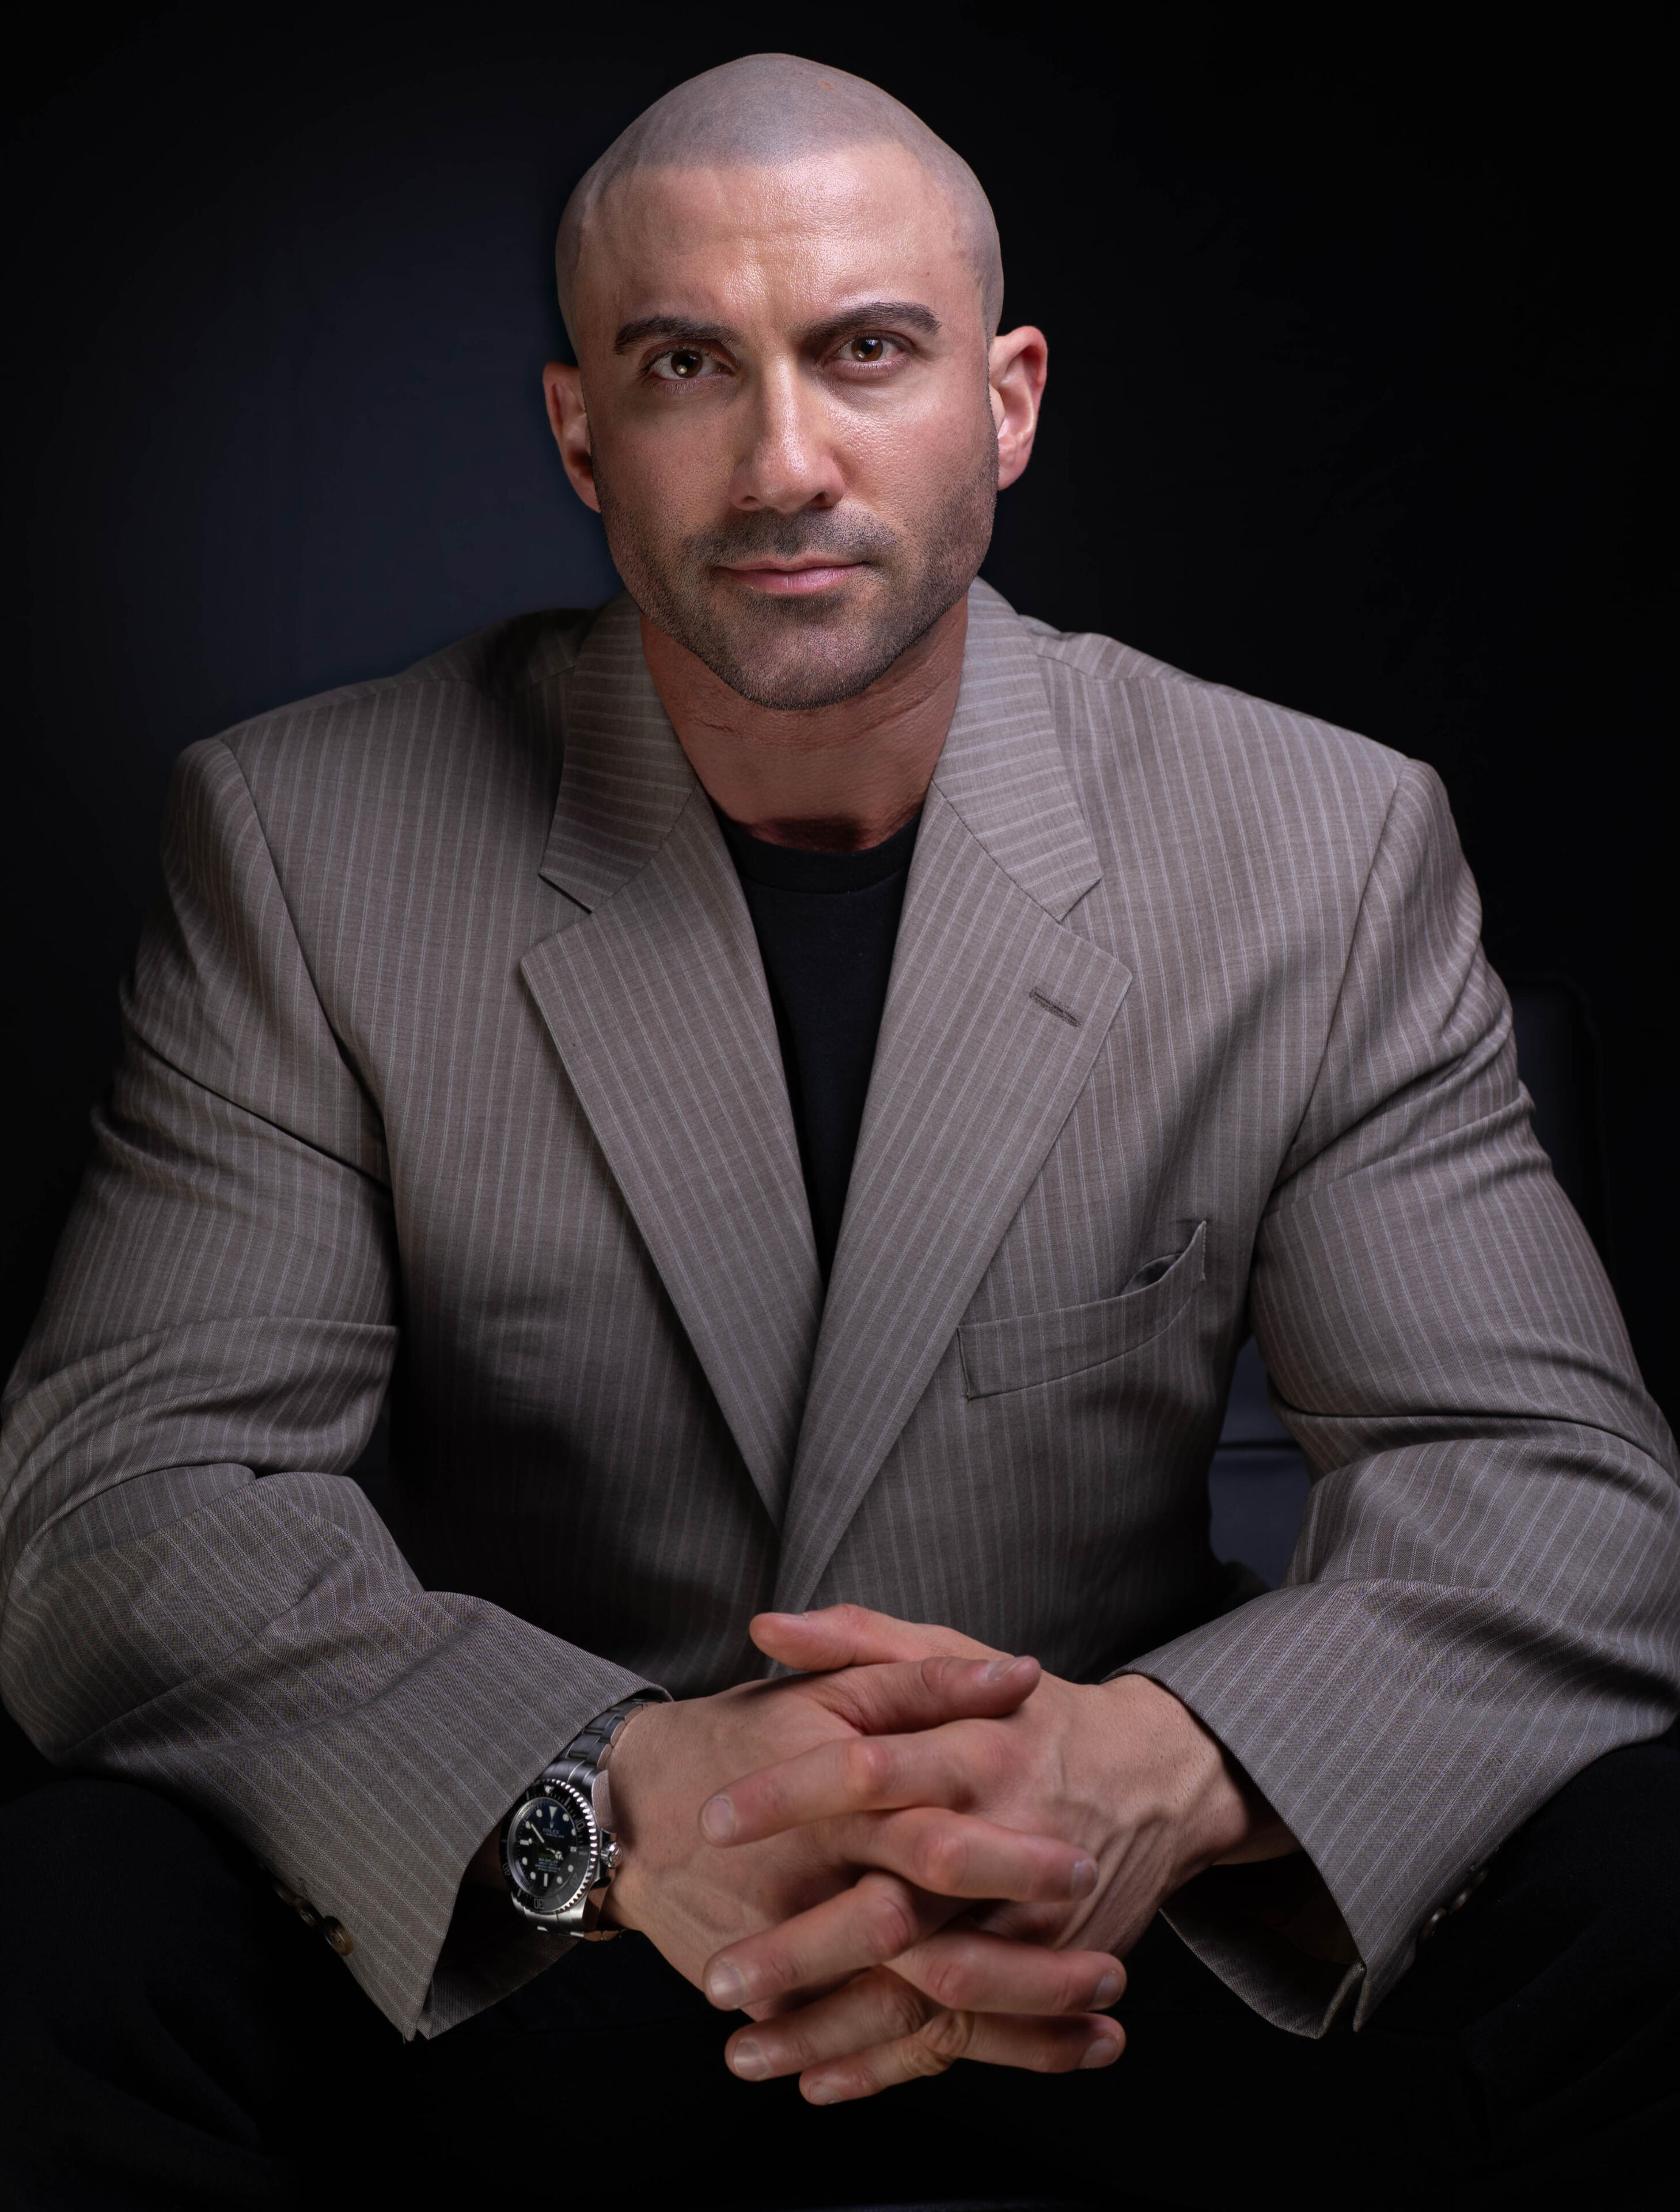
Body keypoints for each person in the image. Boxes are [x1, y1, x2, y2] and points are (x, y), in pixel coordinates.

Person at [1, 50, 1677, 2211]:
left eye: (866, 351)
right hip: (543, 1928)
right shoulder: (309, 842)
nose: (785, 458)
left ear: (1009, 401)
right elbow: (135, 1507)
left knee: (1654, 1896)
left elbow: (1548, 1485)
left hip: (1116, 1930)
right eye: (690, 362)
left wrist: (1163, 1769)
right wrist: (608, 1804)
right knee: (60, 1935)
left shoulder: (1315, 845)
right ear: (581, 433)